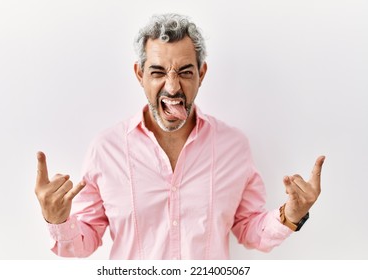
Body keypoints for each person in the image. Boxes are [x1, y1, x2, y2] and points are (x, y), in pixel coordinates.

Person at [35, 13, 325, 260]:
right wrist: (57, 219)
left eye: (185, 72)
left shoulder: (233, 147)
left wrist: (292, 214)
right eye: (158, 72)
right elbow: (83, 242)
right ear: (140, 74)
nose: (172, 88)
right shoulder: (106, 148)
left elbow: (250, 230)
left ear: (202, 73)